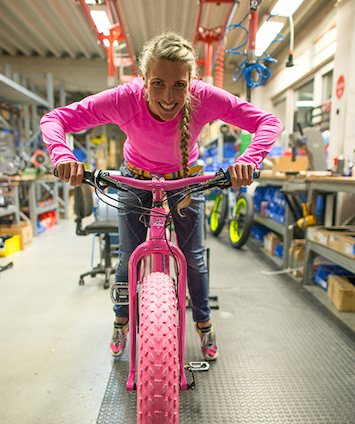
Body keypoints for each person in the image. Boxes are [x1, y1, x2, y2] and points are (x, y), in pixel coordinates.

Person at [41, 31, 282, 361]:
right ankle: (121, 319)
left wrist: (247, 160)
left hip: (186, 181)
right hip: (135, 179)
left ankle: (203, 322)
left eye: (179, 85)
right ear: (143, 78)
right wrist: (63, 157)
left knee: (193, 257)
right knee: (128, 255)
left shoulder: (204, 98)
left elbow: (268, 122)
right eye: (157, 84)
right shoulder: (124, 99)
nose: (168, 97)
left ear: (190, 82)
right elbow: (55, 119)